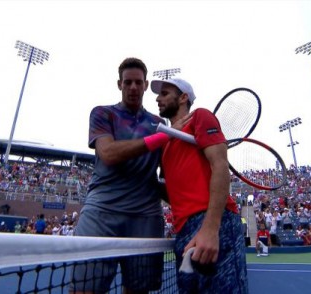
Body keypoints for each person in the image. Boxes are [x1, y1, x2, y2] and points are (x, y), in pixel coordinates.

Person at [73, 57, 167, 294]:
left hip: (146, 215)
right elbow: (108, 153)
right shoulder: (102, 113)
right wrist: (159, 138)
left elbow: (166, 178)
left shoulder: (161, 123)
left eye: (138, 82)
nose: (133, 87)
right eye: (128, 82)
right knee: (84, 290)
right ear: (119, 84)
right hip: (101, 212)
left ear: (146, 85)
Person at [151, 78, 248, 293]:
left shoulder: (200, 116)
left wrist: (210, 228)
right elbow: (174, 193)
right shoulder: (166, 141)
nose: (158, 98)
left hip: (214, 223)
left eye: (165, 93)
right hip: (184, 228)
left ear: (183, 97)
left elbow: (220, 165)